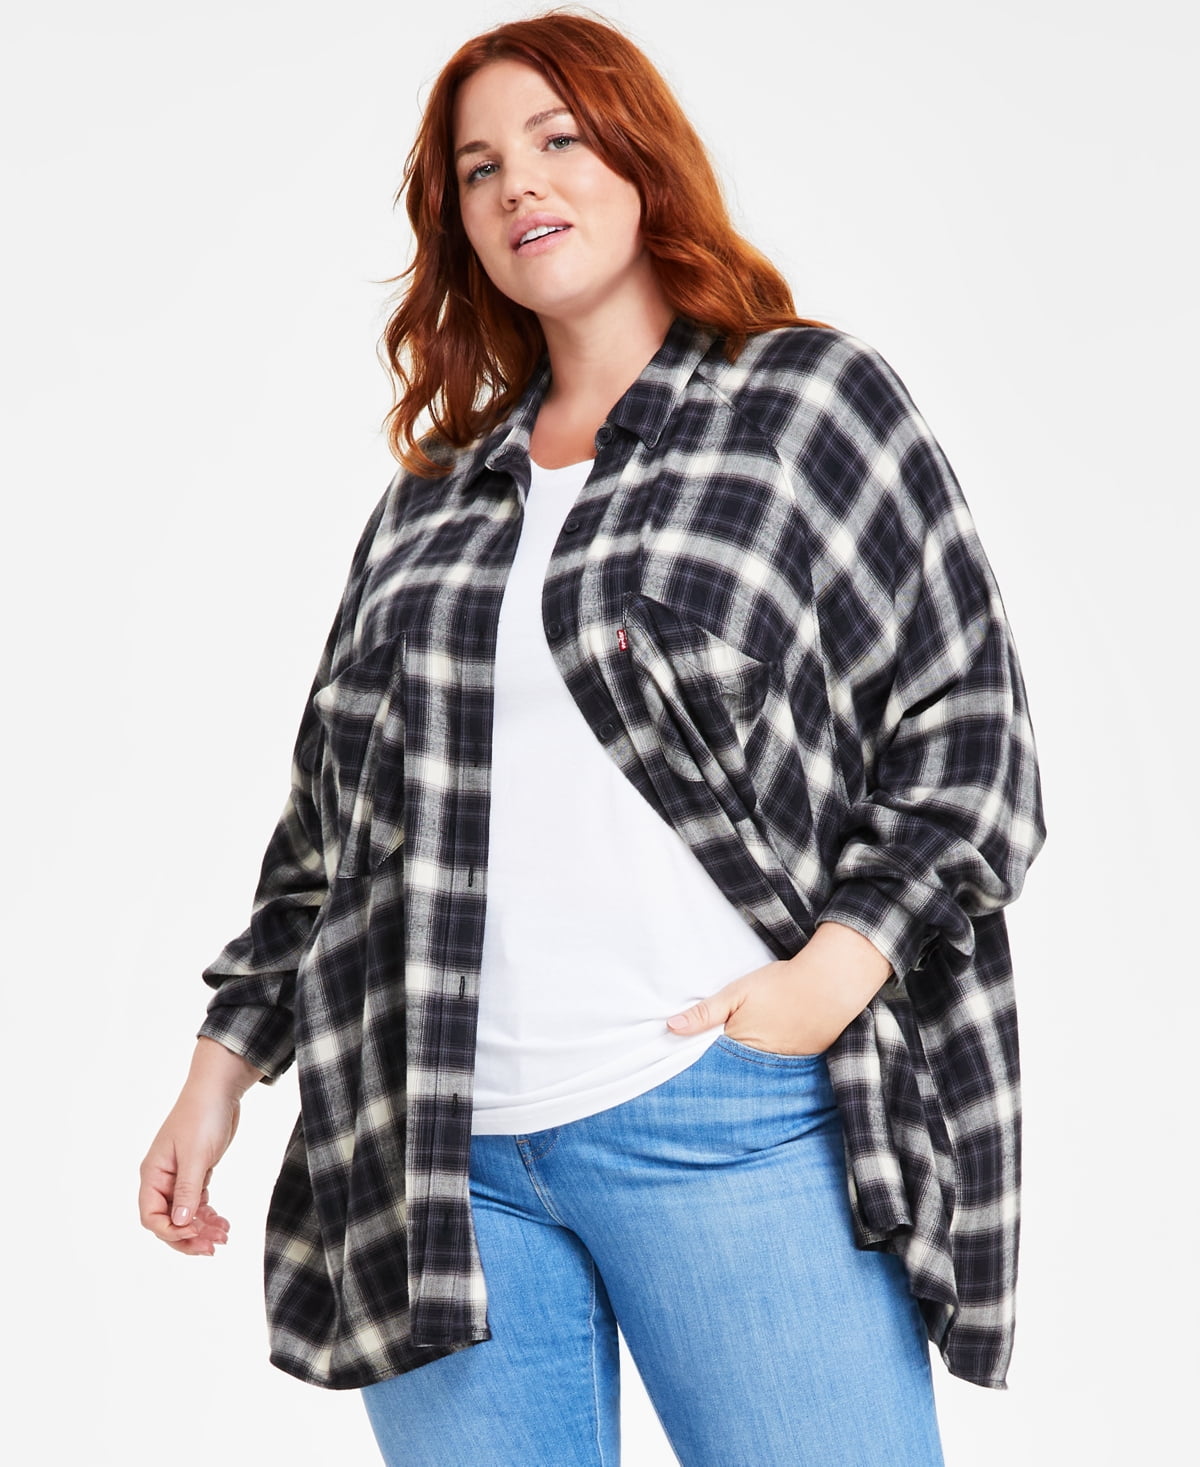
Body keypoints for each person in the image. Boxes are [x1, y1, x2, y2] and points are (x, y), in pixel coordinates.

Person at [139, 10, 1047, 1466]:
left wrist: (835, 973)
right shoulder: (435, 496)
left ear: (640, 157)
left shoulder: (803, 403)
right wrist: (220, 1067)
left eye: (557, 138)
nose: (520, 183)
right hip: (439, 1159)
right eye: (479, 167)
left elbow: (969, 728)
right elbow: (330, 825)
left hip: (728, 1114)